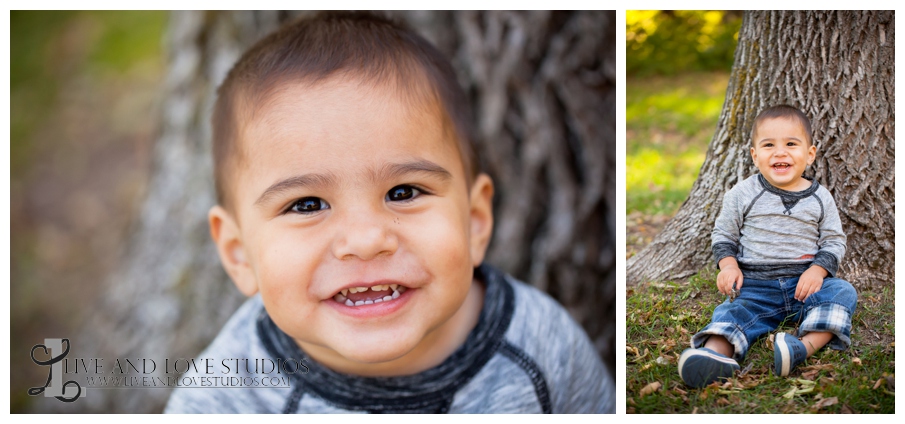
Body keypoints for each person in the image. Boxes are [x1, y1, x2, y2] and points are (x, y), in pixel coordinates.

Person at [164, 11, 614, 413]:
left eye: (403, 192)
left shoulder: (543, 346)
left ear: (475, 221)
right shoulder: (226, 398)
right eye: (306, 204)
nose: (365, 239)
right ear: (239, 253)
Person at [677, 105, 857, 388]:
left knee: (842, 293)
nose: (780, 152)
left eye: (791, 144)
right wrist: (729, 265)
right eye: (769, 145)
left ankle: (801, 348)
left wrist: (818, 272)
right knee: (733, 311)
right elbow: (724, 235)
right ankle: (713, 355)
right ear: (755, 155)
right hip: (756, 287)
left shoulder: (821, 197)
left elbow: (834, 241)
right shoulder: (742, 193)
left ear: (810, 154)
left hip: (805, 285)